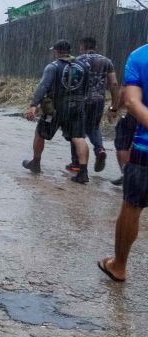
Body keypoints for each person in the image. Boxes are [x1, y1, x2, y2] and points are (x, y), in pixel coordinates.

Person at [97, 43, 148, 282]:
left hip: (144, 149)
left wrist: (113, 107)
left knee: (132, 206)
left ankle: (119, 265)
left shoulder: (140, 56)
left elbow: (132, 101)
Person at [22, 39, 91, 183]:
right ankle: (83, 173)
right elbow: (86, 88)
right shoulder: (83, 66)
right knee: (78, 138)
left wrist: (34, 105)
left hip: (56, 108)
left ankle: (36, 163)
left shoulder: (53, 67)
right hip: (78, 106)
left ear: (56, 52)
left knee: (40, 133)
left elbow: (43, 86)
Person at [67, 37, 119, 173]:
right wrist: (114, 105)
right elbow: (113, 83)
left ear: (82, 46)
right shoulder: (106, 61)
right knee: (94, 127)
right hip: (99, 100)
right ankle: (99, 149)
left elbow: (71, 81)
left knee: (76, 130)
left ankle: (76, 163)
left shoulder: (77, 60)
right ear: (95, 47)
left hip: (81, 99)